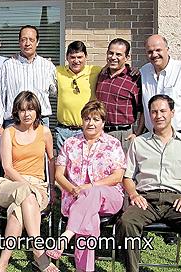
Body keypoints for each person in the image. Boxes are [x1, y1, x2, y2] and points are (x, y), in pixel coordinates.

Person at [116, 94, 181, 272]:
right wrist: (133, 194)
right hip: (146, 200)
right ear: (150, 115)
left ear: (172, 113)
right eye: (154, 112)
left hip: (177, 201)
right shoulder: (139, 143)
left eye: (163, 111)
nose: (158, 115)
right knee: (126, 222)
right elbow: (127, 176)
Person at [46, 100, 126, 272]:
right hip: (77, 199)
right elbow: (59, 175)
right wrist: (73, 190)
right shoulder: (70, 143)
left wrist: (89, 187)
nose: (91, 123)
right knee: (89, 217)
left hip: (110, 197)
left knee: (93, 193)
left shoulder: (113, 144)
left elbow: (118, 176)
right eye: (87, 118)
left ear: (103, 122)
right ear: (82, 121)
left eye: (96, 119)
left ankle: (65, 237)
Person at [0, 91, 58, 272]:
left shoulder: (44, 132)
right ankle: (39, 252)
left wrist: (52, 187)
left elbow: (51, 160)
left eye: (30, 109)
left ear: (37, 110)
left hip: (38, 186)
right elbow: (7, 167)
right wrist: (27, 185)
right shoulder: (9, 132)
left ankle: (3, 264)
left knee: (18, 212)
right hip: (9, 184)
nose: (27, 114)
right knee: (26, 193)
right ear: (16, 112)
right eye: (22, 110)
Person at [0, 25, 56, 132]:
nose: (27, 43)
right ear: (19, 42)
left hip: (40, 122)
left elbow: (57, 92)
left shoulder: (48, 66)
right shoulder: (8, 66)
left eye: (31, 40)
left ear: (37, 42)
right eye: (23, 40)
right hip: (14, 121)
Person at [96, 38, 143, 152]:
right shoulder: (101, 75)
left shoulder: (134, 79)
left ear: (127, 58)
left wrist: (137, 134)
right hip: (100, 133)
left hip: (123, 135)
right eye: (111, 53)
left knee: (123, 169)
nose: (113, 57)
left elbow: (142, 110)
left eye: (118, 54)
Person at [55, 41, 102, 150]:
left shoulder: (96, 71)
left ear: (86, 57)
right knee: (63, 165)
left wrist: (130, 68)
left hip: (87, 129)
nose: (76, 61)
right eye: (72, 57)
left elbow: (115, 69)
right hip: (63, 131)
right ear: (67, 57)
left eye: (80, 57)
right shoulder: (58, 71)